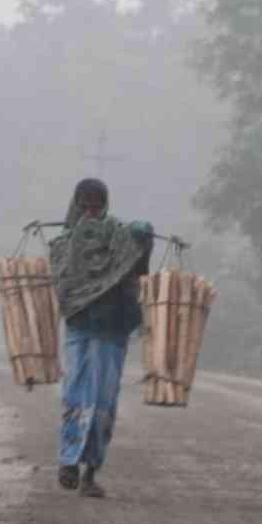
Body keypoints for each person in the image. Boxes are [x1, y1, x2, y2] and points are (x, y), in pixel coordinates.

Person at [49, 178, 153, 499]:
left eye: (97, 205)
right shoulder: (63, 245)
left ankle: (91, 473)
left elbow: (140, 272)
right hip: (80, 328)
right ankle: (68, 462)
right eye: (86, 205)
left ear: (105, 204)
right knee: (76, 397)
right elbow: (64, 287)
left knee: (104, 403)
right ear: (77, 205)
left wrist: (143, 241)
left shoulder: (120, 238)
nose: (92, 211)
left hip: (112, 329)